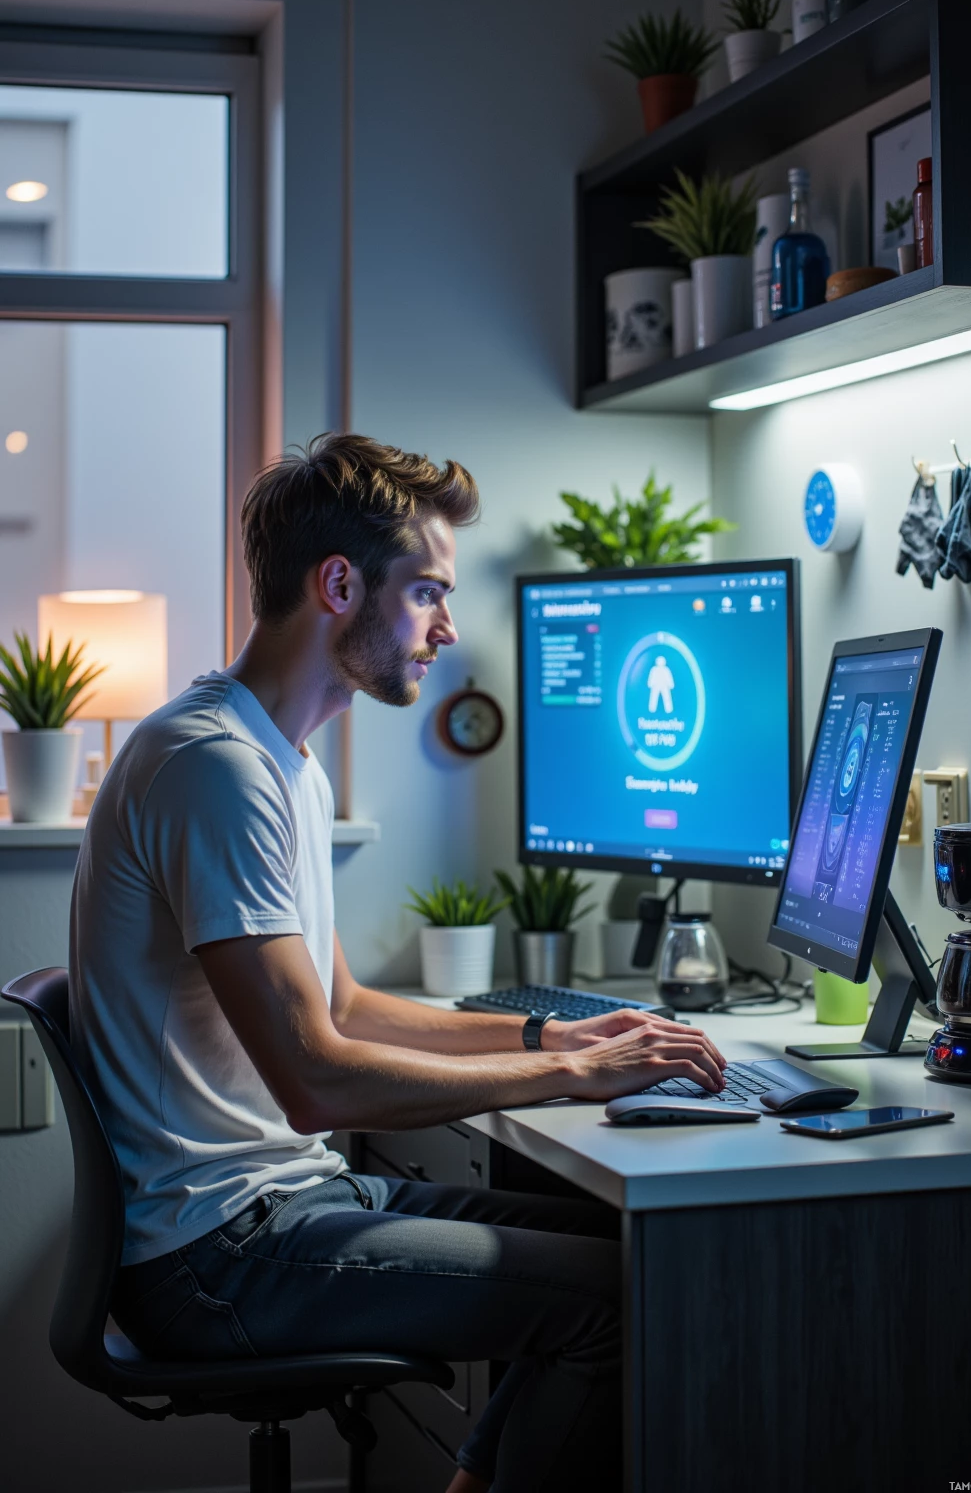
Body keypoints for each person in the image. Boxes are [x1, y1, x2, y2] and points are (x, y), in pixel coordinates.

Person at [70, 433, 727, 1493]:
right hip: (215, 1256)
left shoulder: (282, 765)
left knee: (641, 1252)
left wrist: (551, 1034)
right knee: (614, 1303)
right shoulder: (213, 770)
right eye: (426, 591)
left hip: (283, 1202)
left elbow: (344, 1007)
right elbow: (315, 1076)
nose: (447, 627)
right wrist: (568, 1077)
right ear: (339, 585)